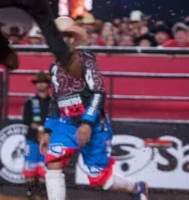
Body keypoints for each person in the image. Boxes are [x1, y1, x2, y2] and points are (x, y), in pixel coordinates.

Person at [39, 17, 149, 200]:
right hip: (66, 124)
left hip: (94, 124)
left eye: (62, 37)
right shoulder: (53, 68)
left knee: (100, 179)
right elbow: (55, 100)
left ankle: (136, 187)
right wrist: (48, 130)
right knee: (53, 161)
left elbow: (99, 92)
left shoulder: (86, 60)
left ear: (72, 38)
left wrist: (87, 123)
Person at [22, 71, 53, 200]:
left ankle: (41, 194)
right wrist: (40, 128)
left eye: (43, 82)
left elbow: (56, 119)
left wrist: (47, 131)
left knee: (44, 168)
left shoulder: (53, 102)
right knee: (30, 166)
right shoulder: (30, 101)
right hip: (32, 139)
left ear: (48, 85)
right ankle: (30, 194)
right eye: (38, 82)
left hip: (48, 140)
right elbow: (26, 120)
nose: (41, 85)